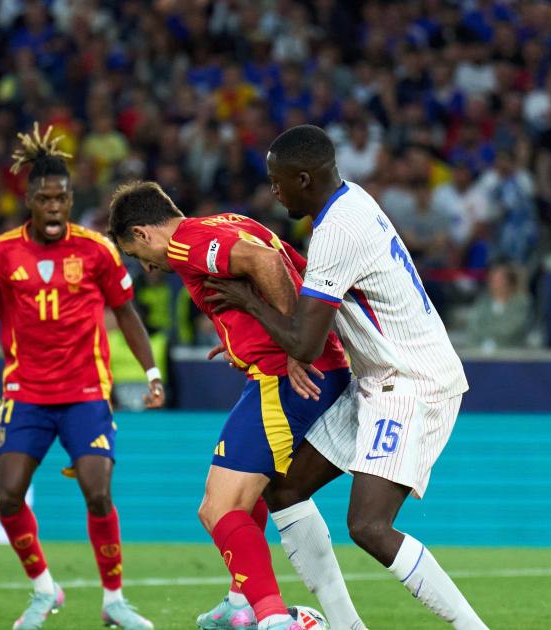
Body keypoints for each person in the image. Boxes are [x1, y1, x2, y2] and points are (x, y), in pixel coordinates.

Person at [205, 125, 488, 629]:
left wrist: (248, 304)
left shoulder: (338, 231)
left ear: (304, 179)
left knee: (369, 526)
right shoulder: (350, 201)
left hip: (412, 382)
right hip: (376, 379)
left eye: (277, 181)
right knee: (284, 489)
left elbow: (306, 344)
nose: (273, 191)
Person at [106, 182, 364, 630]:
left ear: (144, 233)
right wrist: (243, 338)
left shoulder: (186, 244)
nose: (146, 266)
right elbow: (296, 269)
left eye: (136, 254)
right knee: (248, 494)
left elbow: (265, 263)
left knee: (219, 508)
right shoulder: (229, 221)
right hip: (300, 370)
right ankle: (239, 602)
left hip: (288, 379)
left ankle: (272, 619)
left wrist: (296, 344)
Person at [0, 125, 164, 630]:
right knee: (6, 494)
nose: (55, 207)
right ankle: (44, 589)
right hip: (25, 394)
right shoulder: (0, 254)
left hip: (85, 392)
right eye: (45, 199)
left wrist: (151, 371)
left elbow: (126, 314)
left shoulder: (97, 250)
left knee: (97, 491)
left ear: (70, 199)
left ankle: (114, 600)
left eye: (62, 198)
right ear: (30, 202)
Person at [465, 263, 531, 351]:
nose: (495, 283)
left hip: (512, 351)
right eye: (493, 279)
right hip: (481, 350)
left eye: (500, 280)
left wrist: (491, 338)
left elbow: (512, 329)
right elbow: (474, 326)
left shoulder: (521, 303)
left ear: (509, 282)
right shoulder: (482, 302)